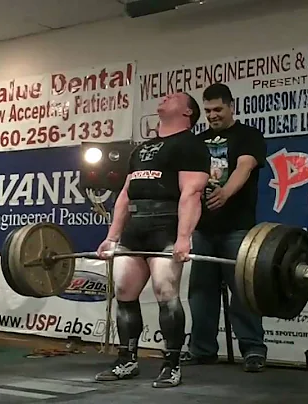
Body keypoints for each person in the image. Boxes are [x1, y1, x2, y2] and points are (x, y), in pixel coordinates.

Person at [93, 92, 210, 388]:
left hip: (166, 227)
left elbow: (191, 193)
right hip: (136, 228)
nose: (165, 98)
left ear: (187, 113)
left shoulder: (191, 145)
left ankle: (171, 365)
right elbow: (124, 195)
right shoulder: (142, 149)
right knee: (123, 290)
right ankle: (127, 359)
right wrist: (112, 237)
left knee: (165, 290)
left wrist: (184, 238)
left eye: (174, 97)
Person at [183, 83, 268, 372]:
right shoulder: (197, 141)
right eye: (207, 111)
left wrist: (225, 193)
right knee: (200, 292)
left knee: (242, 291)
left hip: (237, 228)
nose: (213, 115)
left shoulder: (248, 136)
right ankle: (202, 350)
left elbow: (244, 167)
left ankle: (253, 350)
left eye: (218, 109)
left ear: (232, 106)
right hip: (203, 228)